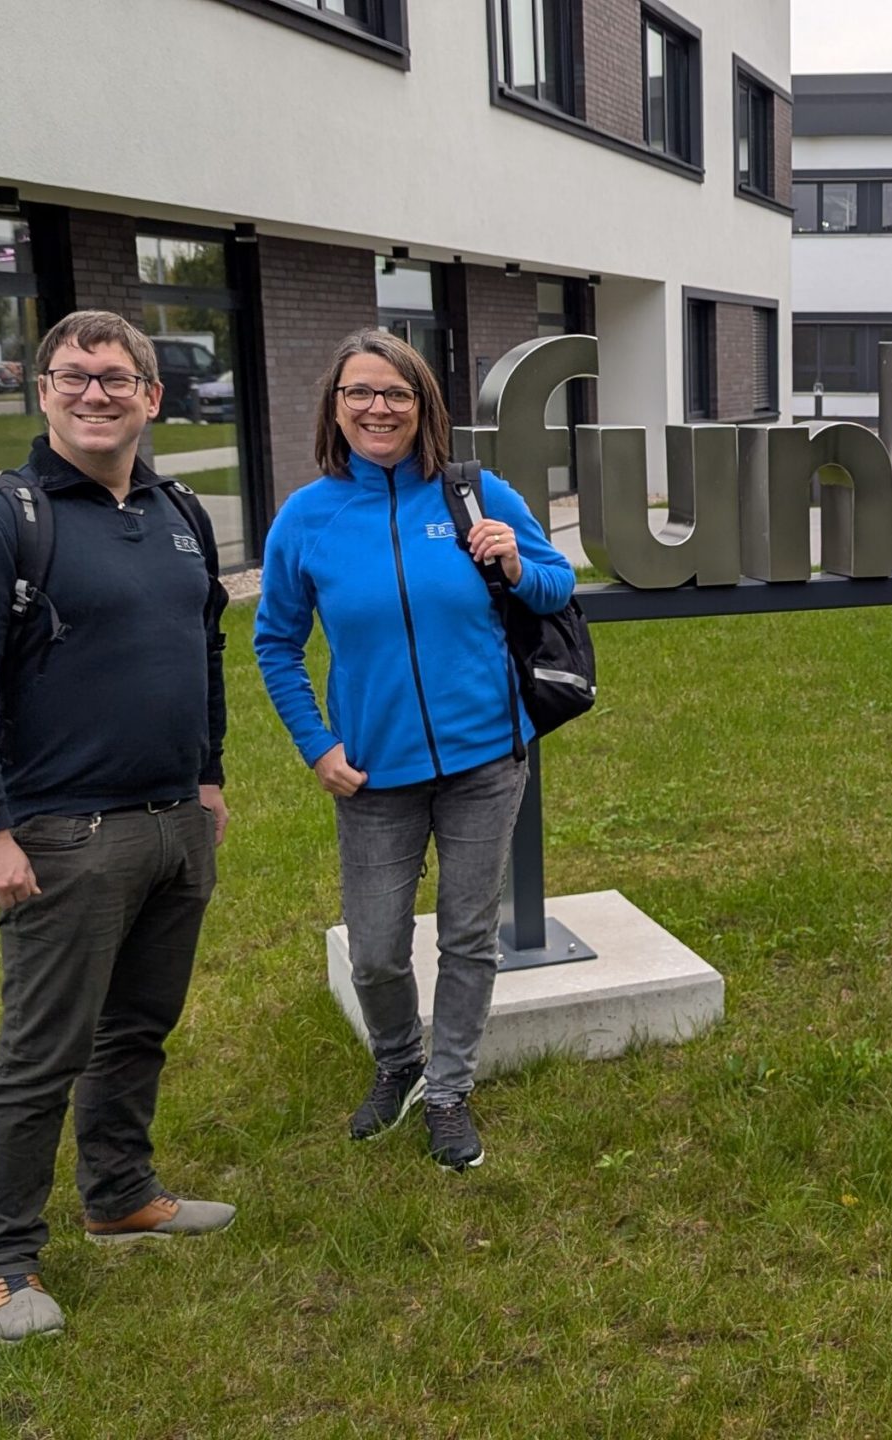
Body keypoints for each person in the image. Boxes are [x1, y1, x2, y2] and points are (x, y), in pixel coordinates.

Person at [0, 310, 235, 1344]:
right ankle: (1, 1260)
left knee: (138, 1028)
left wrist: (211, 779)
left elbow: (202, 648)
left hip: (174, 822)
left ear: (153, 396)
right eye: (73, 376)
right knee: (41, 1054)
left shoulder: (181, 509)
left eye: (116, 377)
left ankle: (119, 1194)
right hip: (62, 838)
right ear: (41, 392)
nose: (96, 393)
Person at [253, 329, 574, 1172]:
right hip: (371, 773)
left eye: (395, 393)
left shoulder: (472, 491)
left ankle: (447, 1089)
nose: (377, 408)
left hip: (485, 760)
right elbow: (274, 643)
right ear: (335, 408)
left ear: (423, 405)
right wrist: (316, 745)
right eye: (359, 393)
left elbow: (556, 585)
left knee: (469, 937)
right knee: (377, 949)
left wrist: (511, 560)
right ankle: (398, 1059)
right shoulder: (307, 517)